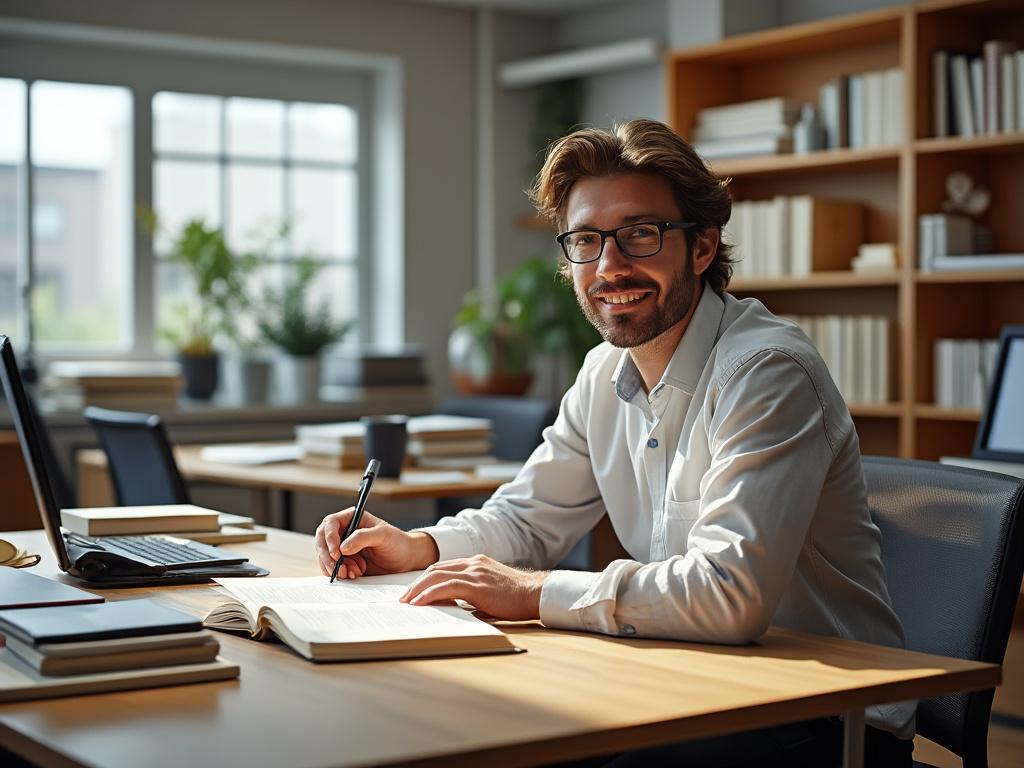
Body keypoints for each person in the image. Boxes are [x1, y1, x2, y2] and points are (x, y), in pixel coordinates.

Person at [314, 118, 914, 766]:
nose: (609, 267)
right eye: (586, 241)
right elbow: (525, 519)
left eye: (639, 235)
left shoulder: (766, 372)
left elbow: (730, 594)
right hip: (695, 686)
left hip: (827, 717)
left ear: (703, 246)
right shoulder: (605, 370)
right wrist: (417, 548)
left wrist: (532, 593)